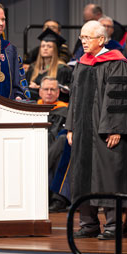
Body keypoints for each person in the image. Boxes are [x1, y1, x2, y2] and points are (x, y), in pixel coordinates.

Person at [66, 20, 127, 239]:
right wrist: (71, 127)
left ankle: (114, 225)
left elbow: (121, 98)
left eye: (87, 38)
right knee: (82, 176)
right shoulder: (82, 63)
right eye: (81, 37)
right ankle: (88, 224)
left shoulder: (117, 62)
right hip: (83, 131)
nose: (83, 42)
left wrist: (116, 129)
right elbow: (74, 98)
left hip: (107, 131)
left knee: (109, 176)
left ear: (101, 39)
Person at [36, 77, 71, 213]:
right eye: (46, 89)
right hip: (38, 147)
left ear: (58, 93)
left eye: (53, 90)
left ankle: (57, 198)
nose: (49, 92)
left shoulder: (65, 110)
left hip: (57, 146)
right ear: (40, 92)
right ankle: (57, 198)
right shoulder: (32, 109)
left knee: (62, 144)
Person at [26, 28, 72, 101]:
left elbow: (65, 91)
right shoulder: (33, 67)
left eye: (49, 46)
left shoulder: (62, 69)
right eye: (43, 46)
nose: (45, 48)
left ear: (55, 49)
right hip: (34, 104)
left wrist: (40, 88)